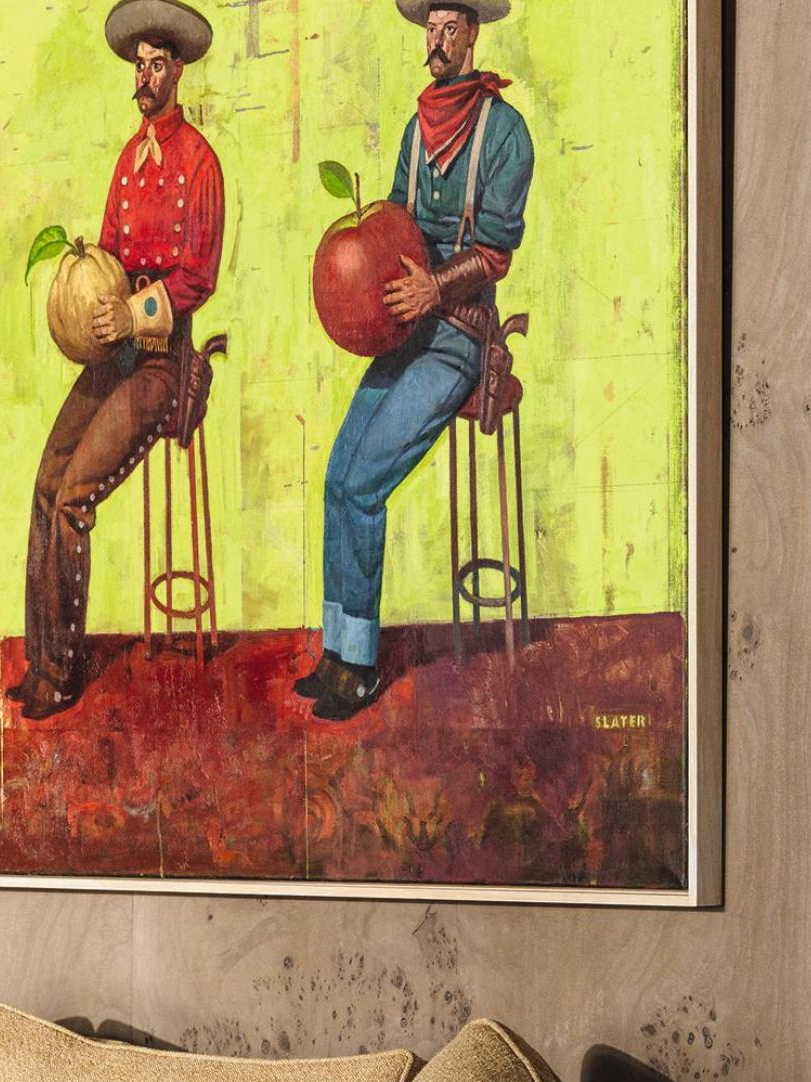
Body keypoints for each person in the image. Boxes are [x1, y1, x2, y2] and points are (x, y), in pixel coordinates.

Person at [304, 0, 532, 722]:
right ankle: (338, 650)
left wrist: (436, 286)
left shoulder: (505, 132)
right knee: (339, 474)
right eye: (428, 27)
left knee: (366, 485)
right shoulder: (415, 128)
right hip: (406, 332)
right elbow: (397, 228)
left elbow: (496, 253)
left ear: (472, 33)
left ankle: (361, 668)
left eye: (448, 27)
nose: (435, 40)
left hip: (459, 336)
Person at [11, 0, 225, 721]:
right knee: (44, 482)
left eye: (157, 64)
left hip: (163, 360)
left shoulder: (199, 162)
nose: (145, 76)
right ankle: (39, 656)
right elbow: (108, 249)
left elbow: (198, 278)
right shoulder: (129, 159)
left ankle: (63, 670)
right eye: (139, 65)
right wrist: (85, 290)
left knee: (74, 498)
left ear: (179, 71)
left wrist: (135, 312)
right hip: (113, 356)